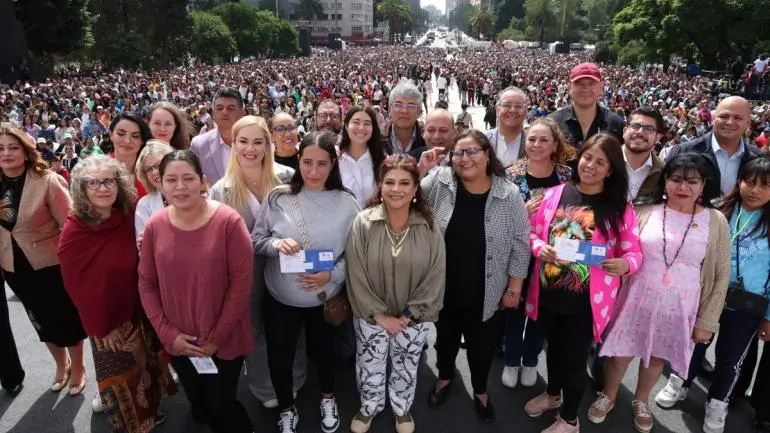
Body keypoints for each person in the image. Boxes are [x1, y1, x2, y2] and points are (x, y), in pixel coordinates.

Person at [589, 153, 729, 433]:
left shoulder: (716, 221)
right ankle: (610, 394)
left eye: (692, 181)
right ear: (665, 180)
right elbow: (619, 249)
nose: (683, 187)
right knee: (618, 356)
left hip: (679, 307)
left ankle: (641, 401)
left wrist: (706, 322)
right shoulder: (642, 210)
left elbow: (720, 275)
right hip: (633, 299)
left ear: (703, 185)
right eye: (676, 179)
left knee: (656, 358)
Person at [524, 133, 643, 433]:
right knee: (552, 349)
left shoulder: (619, 207)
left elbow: (634, 252)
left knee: (575, 358)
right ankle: (553, 395)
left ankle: (569, 419)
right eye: (588, 157)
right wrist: (540, 248)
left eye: (600, 162)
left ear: (611, 169)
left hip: (587, 301)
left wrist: (625, 264)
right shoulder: (554, 194)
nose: (590, 165)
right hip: (549, 292)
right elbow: (531, 233)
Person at [418, 130, 531, 423]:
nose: (464, 158)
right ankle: (444, 378)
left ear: (486, 155)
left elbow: (521, 245)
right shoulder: (439, 182)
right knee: (445, 341)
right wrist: (421, 170)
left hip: (488, 292)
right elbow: (405, 195)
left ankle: (481, 391)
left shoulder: (509, 194)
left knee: (481, 349)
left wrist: (514, 288)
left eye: (472, 152)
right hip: (444, 290)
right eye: (458, 153)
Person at [58, 155, 177, 433]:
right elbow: (76, 287)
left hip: (141, 308)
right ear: (81, 188)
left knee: (148, 366)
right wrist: (100, 328)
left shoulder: (127, 215)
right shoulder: (75, 231)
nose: (103, 188)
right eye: (93, 182)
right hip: (109, 321)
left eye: (109, 180)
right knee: (126, 379)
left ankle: (154, 413)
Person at [138, 150, 255, 433]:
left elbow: (241, 286)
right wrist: (168, 335)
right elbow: (146, 283)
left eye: (188, 178)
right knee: (199, 404)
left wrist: (216, 338)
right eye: (171, 180)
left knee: (222, 404)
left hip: (222, 338)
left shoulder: (229, 223)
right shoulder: (155, 226)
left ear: (203, 182)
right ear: (161, 185)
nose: (180, 187)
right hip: (179, 341)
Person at [252, 130, 360, 433]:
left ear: (333, 165)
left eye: (322, 164)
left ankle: (328, 398)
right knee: (280, 356)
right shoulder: (278, 198)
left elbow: (356, 254)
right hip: (280, 298)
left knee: (325, 353)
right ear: (298, 161)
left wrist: (333, 275)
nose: (313, 171)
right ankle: (286, 407)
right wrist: (276, 246)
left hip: (324, 298)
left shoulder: (347, 203)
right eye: (307, 162)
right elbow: (256, 240)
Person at [208, 115, 303, 410]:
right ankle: (263, 385)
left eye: (258, 142)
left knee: (291, 329)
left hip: (285, 267)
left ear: (268, 144)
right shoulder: (220, 190)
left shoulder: (287, 177)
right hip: (245, 275)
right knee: (254, 330)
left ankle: (296, 378)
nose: (250, 149)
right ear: (233, 144)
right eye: (243, 141)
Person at [346, 154, 446, 433]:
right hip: (370, 316)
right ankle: (369, 407)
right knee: (369, 365)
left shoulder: (429, 227)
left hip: (412, 318)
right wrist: (379, 315)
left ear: (416, 188)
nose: (396, 189)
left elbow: (436, 274)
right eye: (389, 182)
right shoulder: (363, 223)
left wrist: (408, 315)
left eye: (405, 182)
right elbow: (356, 274)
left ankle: (402, 409)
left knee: (406, 365)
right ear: (380, 185)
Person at [0, 124, 88, 395]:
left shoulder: (47, 181)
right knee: (39, 319)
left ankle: (80, 367)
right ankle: (61, 365)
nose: (6, 153)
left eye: (13, 147)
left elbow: (71, 225)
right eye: (1, 148)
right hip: (13, 267)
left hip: (50, 265)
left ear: (26, 151)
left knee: (64, 318)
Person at [696, 155, 770, 433]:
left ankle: (718, 402)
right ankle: (680, 382)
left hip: (746, 305)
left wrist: (768, 317)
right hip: (707, 296)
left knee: (731, 358)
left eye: (765, 185)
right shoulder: (717, 211)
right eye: (749, 182)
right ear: (738, 182)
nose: (755, 190)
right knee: (695, 346)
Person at [501, 117, 573, 389]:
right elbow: (499, 214)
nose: (537, 145)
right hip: (519, 253)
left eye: (544, 140)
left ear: (555, 144)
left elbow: (576, 213)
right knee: (515, 308)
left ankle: (530, 360)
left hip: (553, 255)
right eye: (532, 139)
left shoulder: (567, 175)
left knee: (541, 313)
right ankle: (510, 360)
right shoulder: (510, 173)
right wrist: (521, 213)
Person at [665, 96, 763, 196]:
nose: (729, 122)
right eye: (724, 116)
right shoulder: (683, 152)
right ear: (714, 118)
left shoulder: (759, 159)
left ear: (747, 123)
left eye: (738, 118)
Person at [550, 63, 624, 150]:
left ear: (601, 87)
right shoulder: (553, 123)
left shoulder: (615, 124)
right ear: (569, 87)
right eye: (579, 84)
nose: (585, 88)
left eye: (591, 84)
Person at [191, 88, 247, 185]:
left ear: (242, 113)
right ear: (213, 113)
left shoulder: (257, 143)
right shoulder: (199, 145)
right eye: (219, 108)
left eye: (231, 108)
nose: (224, 112)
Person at [339, 106, 386, 207]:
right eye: (356, 122)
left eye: (367, 123)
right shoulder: (335, 160)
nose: (361, 128)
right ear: (347, 126)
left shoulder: (383, 161)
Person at [622, 106, 666, 202]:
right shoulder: (604, 159)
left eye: (649, 129)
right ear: (624, 131)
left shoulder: (663, 173)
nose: (640, 132)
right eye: (635, 126)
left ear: (657, 138)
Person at [107, 112, 153, 200]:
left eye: (135, 136)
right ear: (111, 135)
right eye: (121, 134)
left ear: (142, 140)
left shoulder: (152, 171)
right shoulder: (96, 170)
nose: (127, 141)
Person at [134, 140, 175, 236]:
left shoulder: (192, 192)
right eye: (149, 169)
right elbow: (143, 244)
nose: (154, 172)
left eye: (159, 165)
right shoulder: (144, 205)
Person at [485, 87, 529, 166]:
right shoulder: (483, 140)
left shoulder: (533, 145)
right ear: (497, 110)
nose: (512, 110)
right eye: (507, 105)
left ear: (526, 111)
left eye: (518, 106)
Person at [384, 80, 427, 155]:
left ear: (419, 112)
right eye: (398, 105)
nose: (404, 111)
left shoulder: (427, 142)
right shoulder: (377, 141)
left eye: (411, 106)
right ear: (389, 110)